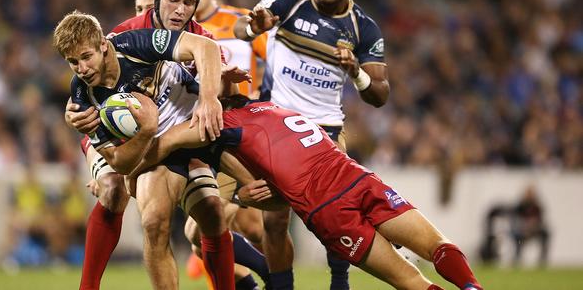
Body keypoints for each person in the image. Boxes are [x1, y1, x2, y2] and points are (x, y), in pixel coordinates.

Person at [127, 95, 484, 290]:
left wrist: (125, 160)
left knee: (409, 280)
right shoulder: (277, 106)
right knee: (437, 246)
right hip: (358, 178)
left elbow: (168, 142)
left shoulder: (227, 123)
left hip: (330, 210)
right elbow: (289, 173)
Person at [233, 0, 389, 288]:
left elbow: (380, 93)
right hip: (274, 126)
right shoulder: (288, 2)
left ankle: (339, 281)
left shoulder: (363, 29)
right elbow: (245, 25)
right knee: (273, 222)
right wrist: (251, 28)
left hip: (326, 131)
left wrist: (357, 73)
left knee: (336, 219)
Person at [54, 3, 236, 290]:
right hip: (146, 145)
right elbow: (121, 163)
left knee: (214, 212)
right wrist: (146, 131)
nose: (82, 68)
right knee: (148, 218)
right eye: (73, 62)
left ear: (102, 46)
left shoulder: (141, 40)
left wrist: (211, 96)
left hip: (188, 127)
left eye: (85, 58)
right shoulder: (82, 97)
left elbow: (207, 50)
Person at [180, 0, 271, 289]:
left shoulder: (239, 22)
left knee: (216, 227)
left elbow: (274, 62)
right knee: (248, 228)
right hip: (208, 135)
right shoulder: (180, 34)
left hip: (246, 130)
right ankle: (273, 279)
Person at [511, 185, 550, 266]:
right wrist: (524, 226)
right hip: (521, 230)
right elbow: (515, 220)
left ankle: (542, 261)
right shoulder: (519, 206)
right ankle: (517, 260)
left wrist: (534, 225)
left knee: (545, 233)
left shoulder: (537, 206)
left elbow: (540, 220)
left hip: (534, 229)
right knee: (517, 236)